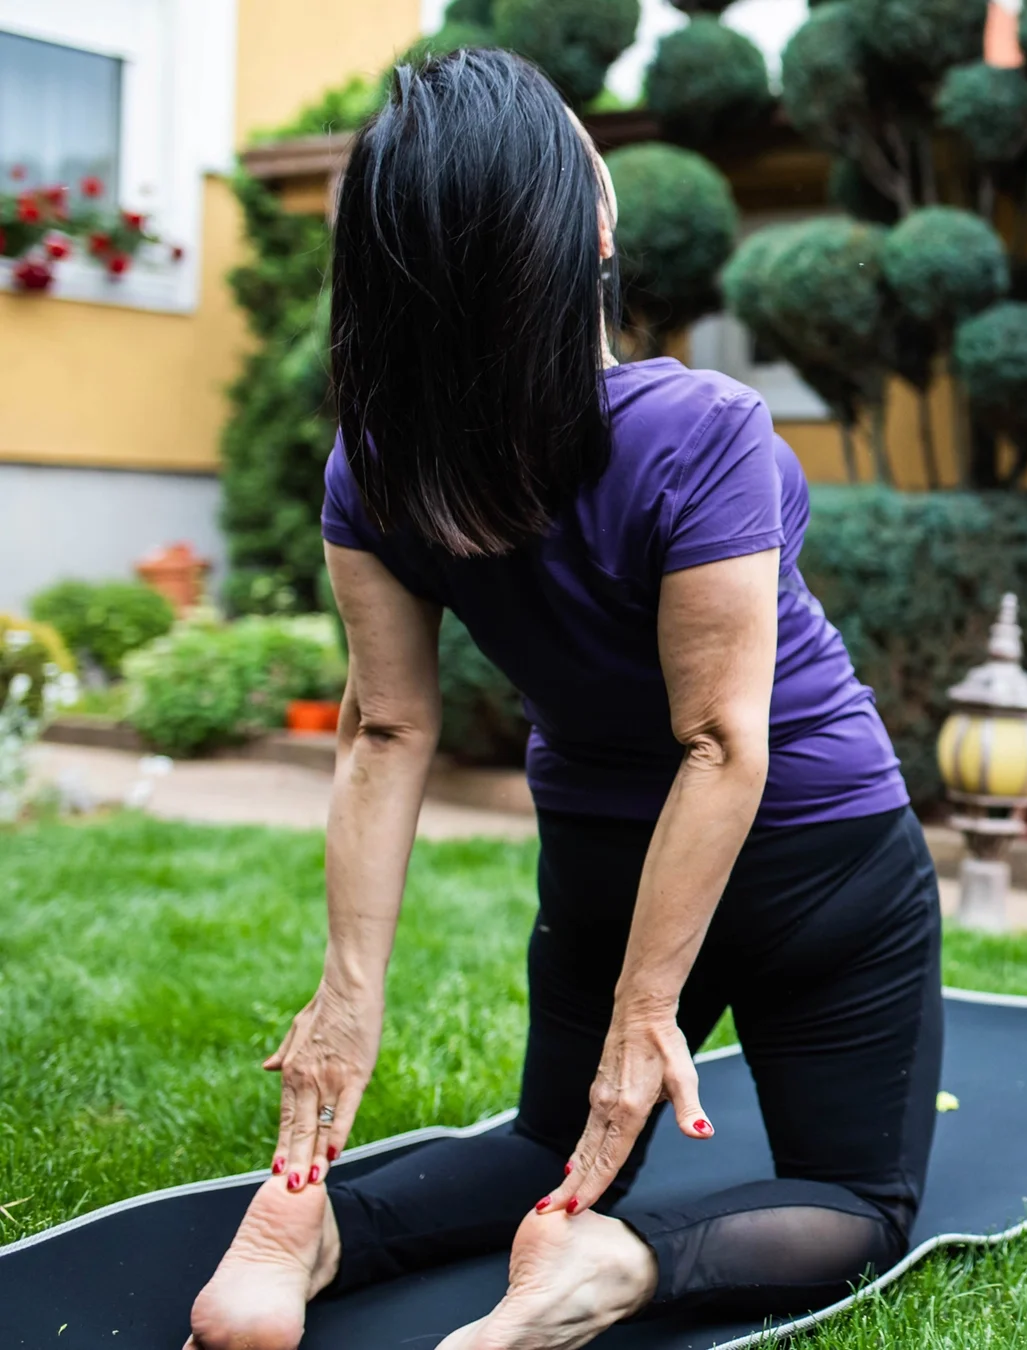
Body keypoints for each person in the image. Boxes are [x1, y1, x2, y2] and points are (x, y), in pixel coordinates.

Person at [185, 48, 941, 1350]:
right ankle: (603, 1265)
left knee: (548, 1135)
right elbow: (721, 739)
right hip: (815, 856)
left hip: (599, 849)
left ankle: (310, 1223)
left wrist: (347, 994)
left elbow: (387, 726)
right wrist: (653, 1009)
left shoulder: (374, 469)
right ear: (591, 225)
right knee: (859, 1197)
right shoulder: (702, 426)